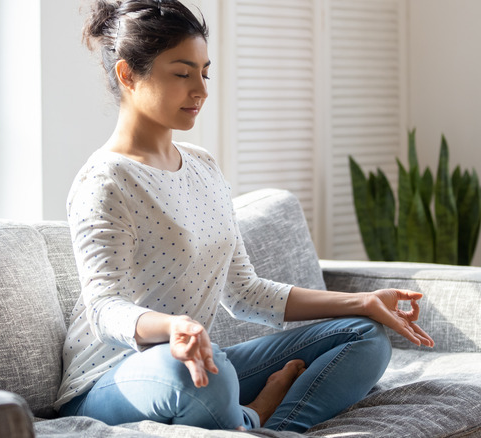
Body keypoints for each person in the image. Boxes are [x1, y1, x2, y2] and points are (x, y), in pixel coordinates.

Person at [57, 0, 434, 432]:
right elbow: (104, 309)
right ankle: (254, 414)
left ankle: (275, 427)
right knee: (198, 374)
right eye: (182, 73)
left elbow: (245, 292)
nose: (200, 89)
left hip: (201, 363)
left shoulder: (203, 166)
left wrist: (362, 302)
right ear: (128, 75)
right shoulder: (105, 180)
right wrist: (174, 326)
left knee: (364, 336)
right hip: (111, 381)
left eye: (204, 72)